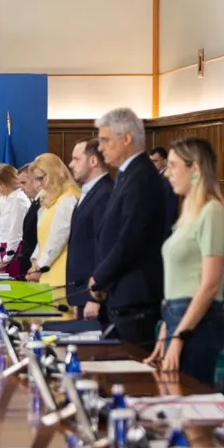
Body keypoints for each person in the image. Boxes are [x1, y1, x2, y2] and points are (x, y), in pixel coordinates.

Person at [145, 138, 224, 386]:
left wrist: (179, 335)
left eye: (173, 165)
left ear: (195, 169)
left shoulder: (212, 210)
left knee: (187, 398)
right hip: (176, 317)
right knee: (171, 395)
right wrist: (166, 329)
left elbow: (210, 284)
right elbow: (178, 279)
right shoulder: (189, 211)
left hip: (196, 324)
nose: (167, 173)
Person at [89, 107, 166, 345]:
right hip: (120, 292)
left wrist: (100, 277)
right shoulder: (127, 175)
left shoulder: (141, 178)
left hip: (136, 296)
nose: (100, 147)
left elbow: (130, 239)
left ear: (127, 139)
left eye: (105, 140)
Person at [66, 138, 113, 319]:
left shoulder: (105, 193)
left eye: (76, 159)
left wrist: (95, 296)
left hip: (93, 294)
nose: (71, 164)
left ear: (93, 161)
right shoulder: (91, 191)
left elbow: (104, 246)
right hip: (81, 291)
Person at [26, 153, 79, 288]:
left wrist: (40, 266)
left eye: (41, 178)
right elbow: (43, 239)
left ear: (55, 173)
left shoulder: (68, 198)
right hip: (47, 270)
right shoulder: (49, 198)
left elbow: (58, 239)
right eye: (36, 180)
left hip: (61, 272)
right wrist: (35, 262)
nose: (39, 184)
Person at [0, 164, 30, 278]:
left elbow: (15, 233)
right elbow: (2, 232)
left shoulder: (18, 200)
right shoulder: (7, 199)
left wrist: (6, 258)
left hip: (14, 250)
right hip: (5, 248)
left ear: (5, 183)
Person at [16, 164, 40, 279]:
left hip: (36, 267)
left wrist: (37, 265)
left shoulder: (43, 203)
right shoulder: (35, 202)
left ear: (35, 181)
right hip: (29, 264)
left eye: (24, 183)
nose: (21, 188)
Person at [150, 146, 179, 237]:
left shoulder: (168, 179)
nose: (152, 164)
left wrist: (165, 230)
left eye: (155, 161)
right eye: (150, 161)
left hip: (164, 227)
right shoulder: (156, 176)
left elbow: (170, 205)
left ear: (165, 161)